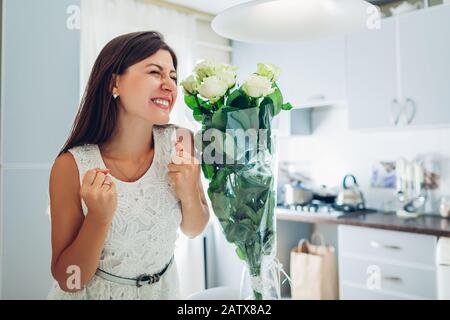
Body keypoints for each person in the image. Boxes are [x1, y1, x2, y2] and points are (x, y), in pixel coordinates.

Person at [47, 31, 210, 299]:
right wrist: (98, 218)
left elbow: (194, 228)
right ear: (114, 83)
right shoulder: (70, 166)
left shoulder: (181, 142)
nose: (169, 85)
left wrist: (189, 192)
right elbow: (70, 279)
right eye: (155, 72)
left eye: (172, 76)